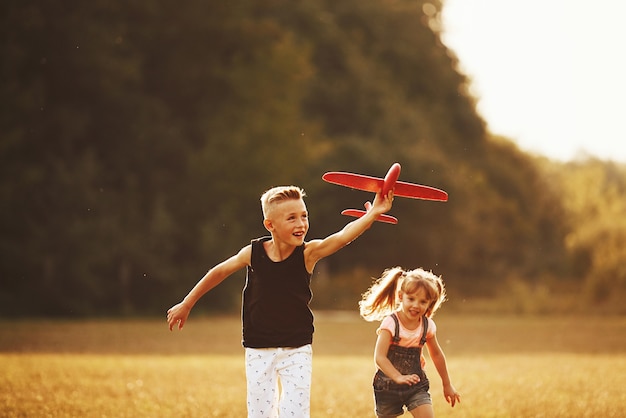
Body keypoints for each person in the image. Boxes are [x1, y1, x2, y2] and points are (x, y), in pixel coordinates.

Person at [167, 185, 394, 418]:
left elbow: (342, 237)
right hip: (258, 348)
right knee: (260, 414)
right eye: (291, 218)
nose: (301, 224)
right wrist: (187, 303)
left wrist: (373, 213)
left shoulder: (308, 253)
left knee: (294, 414)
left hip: (297, 348)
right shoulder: (253, 253)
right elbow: (219, 272)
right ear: (270, 225)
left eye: (304, 216)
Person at [359, 267, 460, 418]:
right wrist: (398, 376)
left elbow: (437, 354)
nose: (416, 305)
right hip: (387, 387)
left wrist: (447, 384)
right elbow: (380, 357)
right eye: (411, 299)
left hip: (416, 385)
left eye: (423, 301)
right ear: (401, 296)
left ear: (429, 303)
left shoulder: (427, 326)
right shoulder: (391, 323)